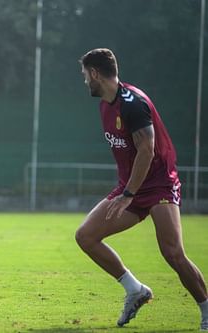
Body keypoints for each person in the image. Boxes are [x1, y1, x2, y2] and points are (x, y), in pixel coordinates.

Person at [75, 48, 208, 330]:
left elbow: (147, 151)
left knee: (172, 252)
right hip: (131, 185)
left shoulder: (133, 103)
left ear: (95, 73)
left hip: (158, 182)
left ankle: (207, 310)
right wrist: (127, 190)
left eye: (85, 75)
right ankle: (135, 290)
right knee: (86, 236)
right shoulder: (105, 105)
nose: (84, 81)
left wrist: (128, 195)